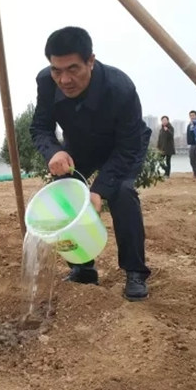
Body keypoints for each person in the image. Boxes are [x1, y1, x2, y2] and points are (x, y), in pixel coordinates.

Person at [30, 26, 151, 301]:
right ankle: (82, 268)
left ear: (91, 61)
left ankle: (135, 272)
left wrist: (99, 190)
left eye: (73, 69)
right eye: (57, 70)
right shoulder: (46, 83)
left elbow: (129, 146)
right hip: (80, 145)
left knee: (122, 193)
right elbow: (40, 127)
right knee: (66, 192)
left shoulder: (120, 88)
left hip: (123, 146)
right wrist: (54, 153)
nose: (64, 79)